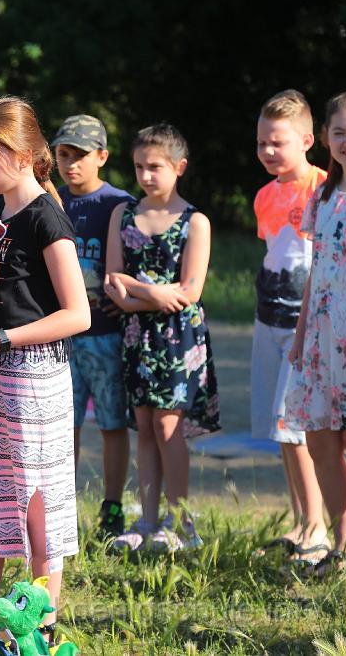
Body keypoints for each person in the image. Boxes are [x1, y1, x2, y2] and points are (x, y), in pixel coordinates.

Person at [0, 96, 89, 645]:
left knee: (35, 506)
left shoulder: (46, 218)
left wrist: (2, 339)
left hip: (33, 379)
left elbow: (78, 314)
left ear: (23, 155)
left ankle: (39, 629)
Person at [103, 124, 221, 553]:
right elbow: (113, 282)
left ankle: (180, 520)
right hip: (138, 335)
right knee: (145, 427)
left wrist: (137, 293)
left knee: (168, 426)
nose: (146, 175)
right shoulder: (123, 214)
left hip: (177, 338)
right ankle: (148, 519)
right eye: (139, 167)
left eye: (155, 167)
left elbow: (190, 292)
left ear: (179, 167)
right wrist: (152, 294)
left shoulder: (195, 221)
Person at [251, 90, 329, 564]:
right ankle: (300, 522)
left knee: (294, 426)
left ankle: (318, 528)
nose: (267, 151)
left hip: (308, 329)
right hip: (269, 321)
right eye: (262, 142)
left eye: (277, 142)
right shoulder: (264, 195)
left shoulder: (324, 189)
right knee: (278, 430)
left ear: (306, 140)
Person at [51, 114, 135, 539]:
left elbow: (138, 260)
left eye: (80, 155)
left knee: (111, 422)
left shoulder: (119, 203)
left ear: (102, 156)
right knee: (61, 424)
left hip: (104, 333)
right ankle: (60, 507)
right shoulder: (51, 198)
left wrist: (128, 300)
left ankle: (113, 505)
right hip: (61, 335)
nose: (71, 164)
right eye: (63, 155)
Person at [285, 91, 346, 578]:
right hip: (321, 337)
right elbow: (316, 271)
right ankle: (342, 547)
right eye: (340, 132)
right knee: (320, 439)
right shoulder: (324, 196)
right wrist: (302, 331)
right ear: (325, 137)